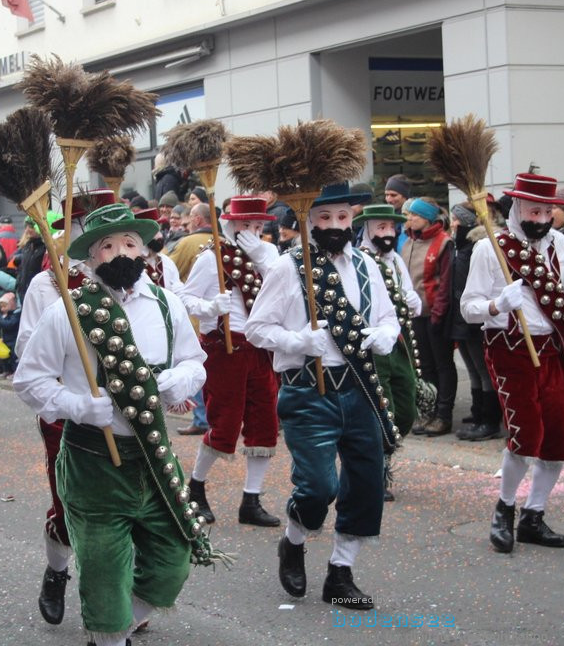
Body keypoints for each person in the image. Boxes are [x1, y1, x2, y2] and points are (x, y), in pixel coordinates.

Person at [14, 204, 210, 646]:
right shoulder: (67, 310)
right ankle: (108, 635)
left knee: (173, 559)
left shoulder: (167, 305)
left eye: (128, 243)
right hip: (92, 462)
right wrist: (78, 406)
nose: (119, 252)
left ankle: (129, 616)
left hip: (154, 458)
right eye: (106, 246)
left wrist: (180, 379)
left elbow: (195, 362)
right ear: (90, 258)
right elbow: (28, 381)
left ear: (144, 250)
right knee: (104, 572)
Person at [246, 182, 400, 610]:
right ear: (308, 220)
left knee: (367, 483)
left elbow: (388, 318)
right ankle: (293, 540)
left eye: (343, 218)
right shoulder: (287, 268)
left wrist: (384, 334)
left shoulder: (368, 267)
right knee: (317, 487)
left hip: (359, 387)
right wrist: (297, 340)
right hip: (308, 391)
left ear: (353, 219)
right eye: (325, 218)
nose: (335, 226)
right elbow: (257, 329)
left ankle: (340, 572)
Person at [461, 173, 564, 555]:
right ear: (517, 208)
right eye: (534, 210)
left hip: (555, 347)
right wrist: (496, 305)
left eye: (547, 211)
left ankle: (534, 514)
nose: (541, 218)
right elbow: (468, 308)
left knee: (559, 438)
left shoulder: (559, 243)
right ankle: (504, 508)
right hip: (510, 348)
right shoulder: (489, 249)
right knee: (526, 437)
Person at [13, 189, 114, 627]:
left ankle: (117, 598)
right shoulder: (47, 281)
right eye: (85, 226)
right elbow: (26, 349)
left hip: (123, 410)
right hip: (66, 410)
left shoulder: (134, 275)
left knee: (127, 505)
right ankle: (57, 570)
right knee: (69, 504)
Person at [180, 195, 282, 527]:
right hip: (226, 348)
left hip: (261, 348)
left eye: (257, 226)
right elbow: (185, 297)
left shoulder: (269, 258)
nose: (252, 231)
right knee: (224, 423)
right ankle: (195, 487)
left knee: (265, 423)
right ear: (232, 226)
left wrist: (268, 259)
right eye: (246, 225)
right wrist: (210, 308)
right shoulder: (212, 259)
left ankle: (251, 500)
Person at [355, 203, 422, 500]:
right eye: (381, 227)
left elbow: (410, 297)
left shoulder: (395, 260)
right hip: (372, 346)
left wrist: (412, 299)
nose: (388, 233)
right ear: (368, 229)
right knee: (382, 408)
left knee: (406, 409)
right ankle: (376, 470)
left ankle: (381, 458)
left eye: (391, 228)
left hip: (399, 343)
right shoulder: (359, 259)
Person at [401, 197, 456, 436]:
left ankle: (444, 414)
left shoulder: (444, 243)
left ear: (427, 218)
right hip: (415, 315)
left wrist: (438, 313)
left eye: (414, 215)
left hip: (434, 314)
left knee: (442, 364)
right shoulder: (408, 242)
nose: (409, 219)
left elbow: (445, 282)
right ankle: (429, 410)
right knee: (424, 366)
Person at [450, 203, 501, 442]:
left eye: (455, 219)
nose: (452, 223)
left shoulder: (476, 247)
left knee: (483, 370)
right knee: (472, 368)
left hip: (475, 320)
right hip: (461, 318)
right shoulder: (460, 246)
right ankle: (478, 413)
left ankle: (489, 419)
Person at [134, 207, 184, 293]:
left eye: (159, 230)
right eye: (154, 232)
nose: (160, 236)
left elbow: (177, 288)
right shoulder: (132, 263)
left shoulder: (166, 261)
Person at [169, 203, 214, 282]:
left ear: (197, 220)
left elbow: (168, 273)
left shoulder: (188, 242)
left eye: (186, 225)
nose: (182, 229)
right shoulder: (224, 240)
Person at [384, 175, 411, 250]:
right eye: (386, 195)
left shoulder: (412, 218)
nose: (388, 199)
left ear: (405, 196)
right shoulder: (385, 216)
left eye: (393, 195)